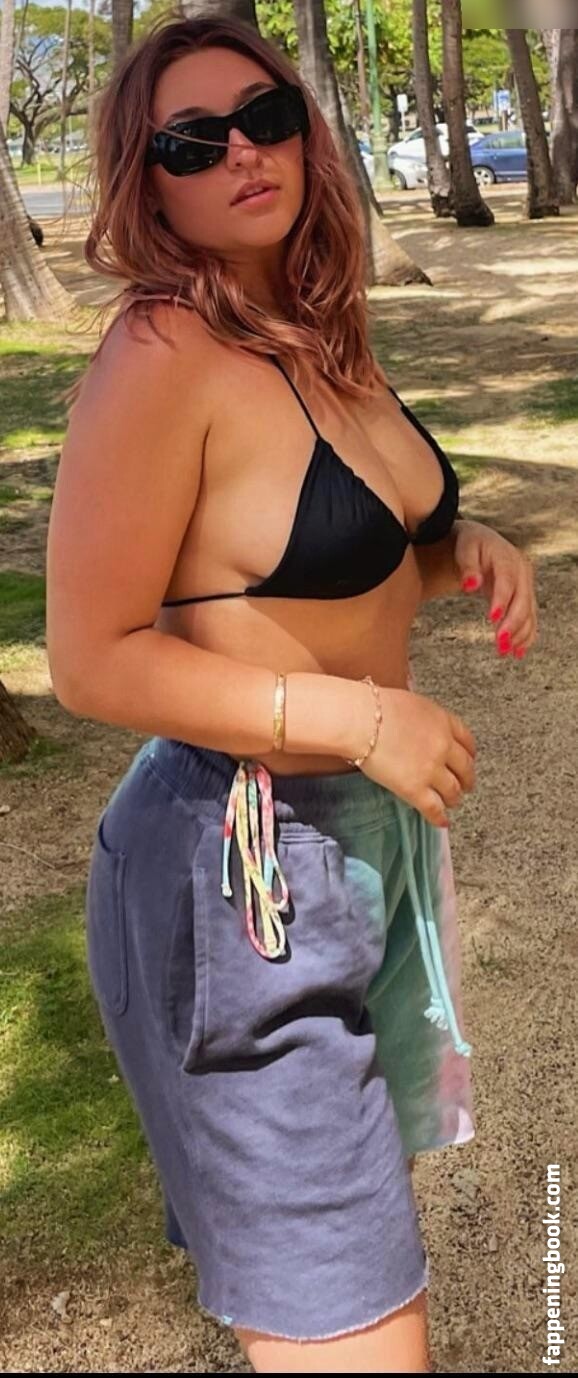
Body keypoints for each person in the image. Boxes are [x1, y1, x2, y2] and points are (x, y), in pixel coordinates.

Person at [46, 14, 538, 1374]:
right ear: (147, 183)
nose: (242, 153)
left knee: (354, 1249)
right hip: (236, 871)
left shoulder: (314, 325)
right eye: (192, 142)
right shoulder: (161, 355)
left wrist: (457, 547)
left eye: (265, 117)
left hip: (362, 850)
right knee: (347, 1313)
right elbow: (90, 656)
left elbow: (318, 553)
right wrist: (359, 718)